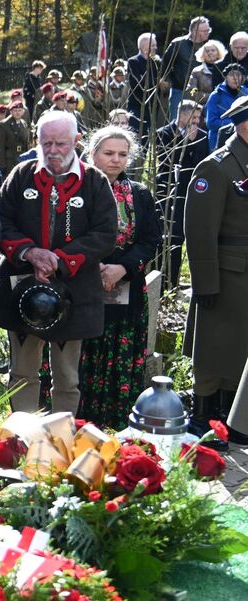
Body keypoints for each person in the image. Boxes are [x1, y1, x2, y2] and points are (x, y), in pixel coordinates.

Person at [0, 111, 117, 415]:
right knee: (22, 373)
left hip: (75, 290)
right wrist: (30, 252)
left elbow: (105, 234)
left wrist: (60, 259)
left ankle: (62, 441)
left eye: (60, 143)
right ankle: (21, 438)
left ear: (76, 141)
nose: (53, 150)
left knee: (67, 377)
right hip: (21, 285)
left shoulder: (94, 182)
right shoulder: (21, 176)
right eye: (46, 143)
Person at [77, 126, 162, 429]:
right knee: (80, 354)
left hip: (126, 290)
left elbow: (151, 239)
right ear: (93, 153)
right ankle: (76, 422)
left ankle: (116, 425)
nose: (115, 160)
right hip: (81, 287)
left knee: (118, 354)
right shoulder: (75, 189)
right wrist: (95, 268)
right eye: (108, 153)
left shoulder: (138, 194)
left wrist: (121, 268)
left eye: (122, 154)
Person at [184, 95, 248, 446]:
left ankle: (237, 421)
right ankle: (208, 420)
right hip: (228, 275)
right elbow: (199, 230)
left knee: (240, 351)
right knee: (217, 350)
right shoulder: (218, 166)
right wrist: (205, 283)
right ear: (243, 124)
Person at [155, 100, 209, 289]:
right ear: (182, 115)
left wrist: (192, 143)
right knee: (163, 238)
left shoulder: (202, 136)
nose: (196, 121)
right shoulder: (164, 133)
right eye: (193, 117)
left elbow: (201, 165)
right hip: (166, 193)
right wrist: (183, 142)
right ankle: (160, 283)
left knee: (178, 239)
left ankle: (173, 283)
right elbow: (165, 163)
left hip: (188, 194)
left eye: (198, 118)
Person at [160, 16, 212, 120]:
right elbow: (165, 65)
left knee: (201, 126)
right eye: (204, 31)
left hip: (203, 93)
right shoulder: (178, 44)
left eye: (208, 30)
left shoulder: (210, 47)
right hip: (180, 91)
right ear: (193, 31)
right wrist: (163, 80)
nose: (207, 33)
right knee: (177, 123)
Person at [128, 32, 161, 140]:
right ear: (144, 47)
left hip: (152, 106)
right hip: (137, 105)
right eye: (153, 45)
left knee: (147, 138)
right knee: (136, 136)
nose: (156, 48)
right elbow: (137, 84)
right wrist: (157, 83)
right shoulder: (133, 62)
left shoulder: (156, 63)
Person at [206, 63, 248, 148]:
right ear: (226, 77)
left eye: (238, 75)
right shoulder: (216, 95)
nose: (235, 78)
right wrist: (236, 123)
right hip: (219, 141)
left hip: (242, 141)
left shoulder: (246, 94)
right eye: (232, 75)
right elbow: (211, 123)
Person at [186, 39, 227, 106]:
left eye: (213, 50)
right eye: (207, 51)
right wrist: (212, 97)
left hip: (224, 106)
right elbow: (191, 92)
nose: (210, 53)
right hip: (203, 107)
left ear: (218, 53)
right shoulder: (197, 71)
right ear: (202, 54)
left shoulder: (226, 69)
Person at [0, 100, 29, 177]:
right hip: (9, 161)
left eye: (20, 110)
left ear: (23, 111)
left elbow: (26, 143)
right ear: (11, 111)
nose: (18, 112)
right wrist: (1, 165)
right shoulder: (3, 124)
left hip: (21, 159)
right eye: (15, 110)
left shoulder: (24, 123)